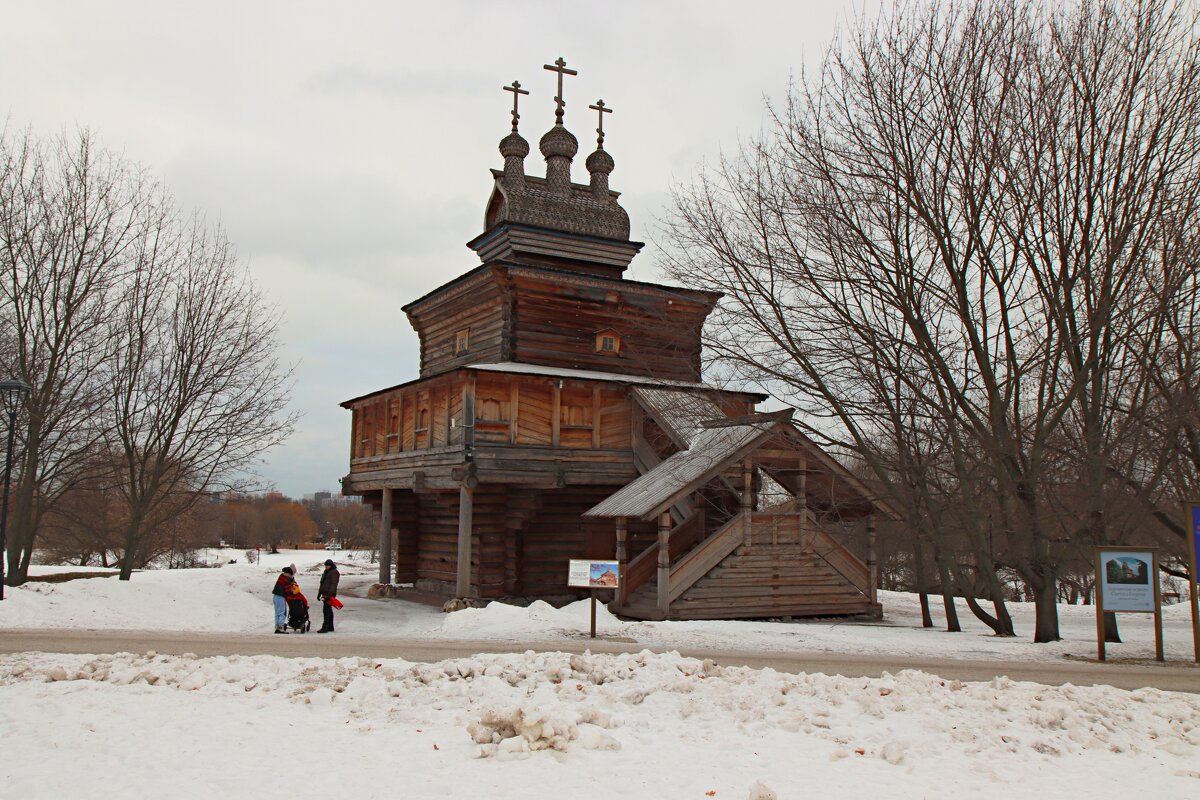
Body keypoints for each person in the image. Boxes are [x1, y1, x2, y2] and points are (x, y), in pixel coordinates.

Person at [317, 558, 340, 633]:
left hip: (329, 594)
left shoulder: (334, 572)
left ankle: (325, 627)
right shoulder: (326, 572)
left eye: (327, 565)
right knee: (328, 610)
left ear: (331, 565)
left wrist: (330, 595)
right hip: (325, 593)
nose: (326, 567)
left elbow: (333, 584)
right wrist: (319, 593)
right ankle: (330, 626)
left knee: (326, 610)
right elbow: (322, 583)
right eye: (325, 565)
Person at [271, 565, 296, 634]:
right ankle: (281, 627)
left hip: (275, 595)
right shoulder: (288, 579)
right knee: (282, 612)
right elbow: (288, 590)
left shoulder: (282, 575)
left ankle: (277, 626)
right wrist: (292, 594)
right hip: (281, 596)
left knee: (277, 612)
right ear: (291, 573)